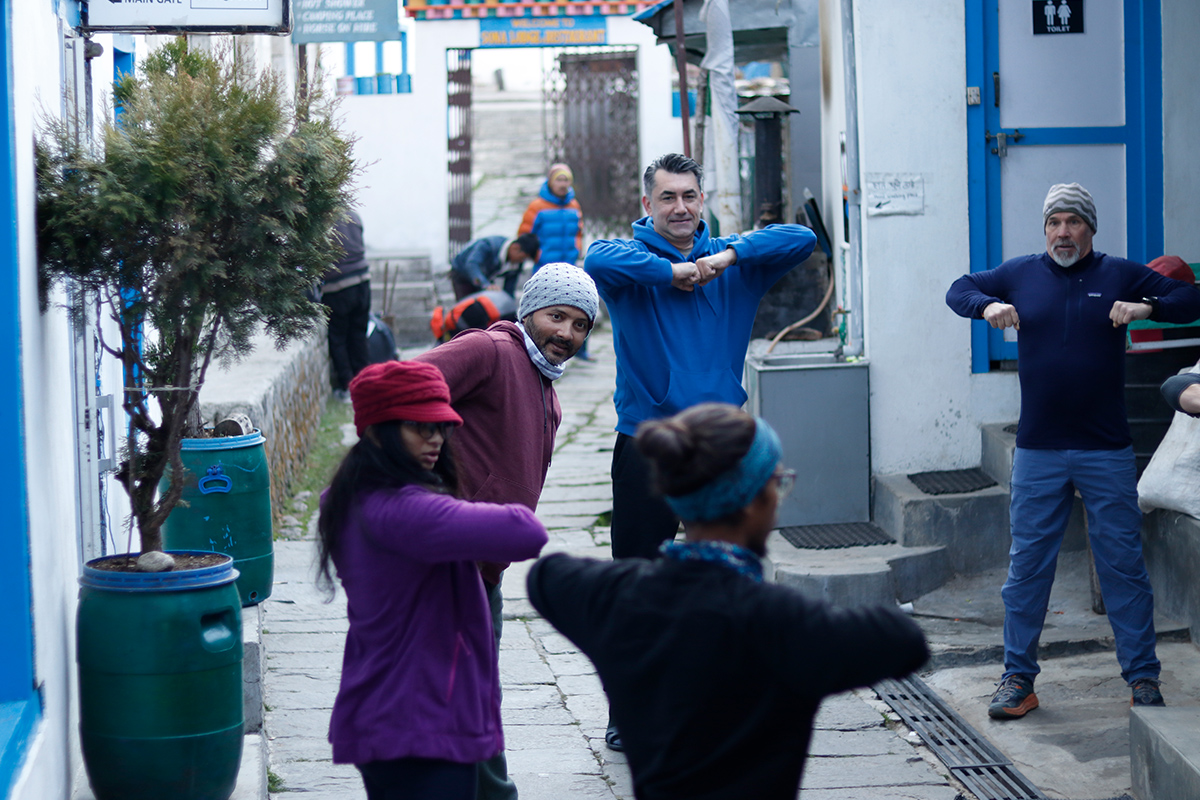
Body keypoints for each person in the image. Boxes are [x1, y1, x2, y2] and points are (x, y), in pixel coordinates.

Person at [526, 403, 929, 800]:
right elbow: (905, 640)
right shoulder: (781, 622)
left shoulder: (619, 598)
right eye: (777, 482)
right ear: (754, 501)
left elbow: (547, 575)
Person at [583, 153, 815, 747]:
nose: (680, 208)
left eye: (689, 196)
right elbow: (595, 257)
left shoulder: (734, 264)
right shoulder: (631, 268)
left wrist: (725, 257)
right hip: (648, 442)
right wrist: (671, 275)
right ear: (647, 205)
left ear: (702, 200)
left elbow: (801, 237)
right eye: (667, 198)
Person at [946, 182, 1200, 717]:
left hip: (1105, 449)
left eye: (1074, 222)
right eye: (1054, 222)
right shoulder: (1018, 274)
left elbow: (1191, 298)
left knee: (1123, 567)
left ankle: (1144, 679)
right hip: (1038, 450)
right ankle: (1018, 680)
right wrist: (988, 305)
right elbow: (958, 289)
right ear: (1045, 230)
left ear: (1091, 228)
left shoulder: (1119, 273)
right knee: (1027, 569)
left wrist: (1145, 306)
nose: (1063, 232)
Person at [317, 360, 549, 800]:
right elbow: (526, 532)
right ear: (375, 430)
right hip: (418, 721)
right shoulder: (406, 512)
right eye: (418, 427)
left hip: (389, 712)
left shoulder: (349, 496)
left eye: (442, 427)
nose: (436, 439)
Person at [413, 262, 599, 800]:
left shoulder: (547, 387)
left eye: (580, 325)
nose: (565, 333)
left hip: (482, 569)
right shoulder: (491, 352)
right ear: (529, 311)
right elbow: (406, 387)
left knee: (471, 694)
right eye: (556, 316)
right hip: (447, 563)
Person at [519, 163, 589, 359]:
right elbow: (525, 235)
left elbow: (579, 230)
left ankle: (580, 351)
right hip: (544, 267)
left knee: (578, 308)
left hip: (569, 266)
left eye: (566, 179)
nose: (563, 183)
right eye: (559, 179)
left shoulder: (574, 205)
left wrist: (578, 249)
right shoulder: (537, 206)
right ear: (550, 181)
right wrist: (537, 255)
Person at [321, 209, 371, 400]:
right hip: (363, 281)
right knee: (359, 334)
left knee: (338, 338)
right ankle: (366, 382)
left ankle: (348, 387)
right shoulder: (353, 214)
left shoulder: (322, 219)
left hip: (338, 286)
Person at [450, 233, 540, 300]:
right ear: (515, 248)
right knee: (466, 307)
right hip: (461, 273)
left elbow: (509, 289)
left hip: (484, 276)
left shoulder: (516, 263)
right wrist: (485, 284)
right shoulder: (488, 245)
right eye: (522, 258)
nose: (522, 261)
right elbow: (472, 265)